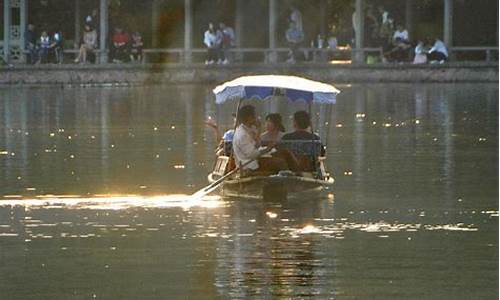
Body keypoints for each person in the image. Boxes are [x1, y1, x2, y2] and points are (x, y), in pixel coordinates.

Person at [233, 105, 299, 174]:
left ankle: (297, 173)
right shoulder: (242, 134)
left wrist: (259, 129)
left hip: (255, 159)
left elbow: (257, 145)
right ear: (250, 118)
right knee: (280, 162)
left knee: (284, 153)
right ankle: (287, 180)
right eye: (255, 116)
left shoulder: (249, 129)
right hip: (250, 164)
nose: (257, 118)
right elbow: (252, 154)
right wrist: (268, 148)